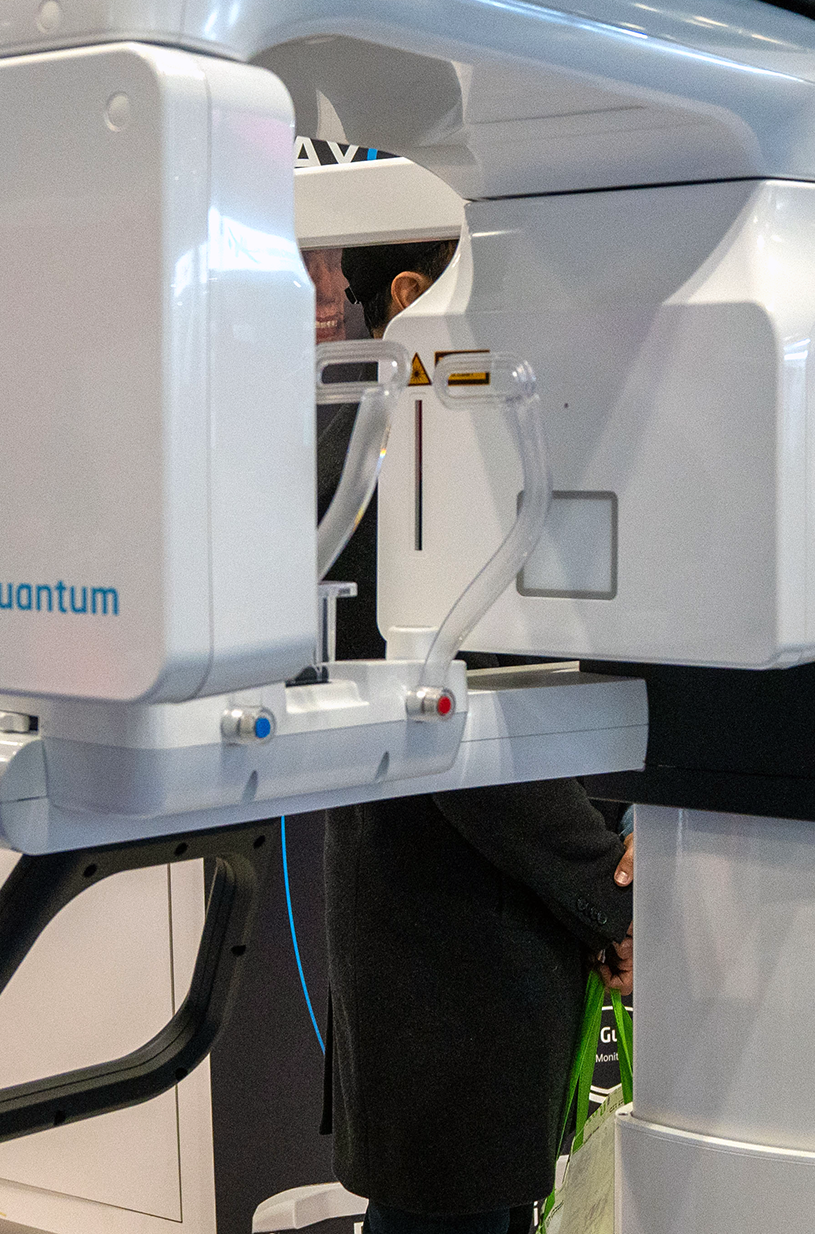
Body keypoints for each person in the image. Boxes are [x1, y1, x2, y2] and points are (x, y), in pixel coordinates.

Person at [319, 238, 634, 1234]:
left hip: (468, 928)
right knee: (447, 1207)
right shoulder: (398, 465)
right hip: (454, 934)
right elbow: (462, 727)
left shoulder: (410, 449)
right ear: (412, 298)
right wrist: (608, 895)